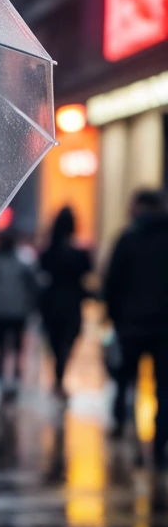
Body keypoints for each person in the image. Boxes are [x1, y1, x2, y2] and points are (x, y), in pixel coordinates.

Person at [104, 189, 168, 462]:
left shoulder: (127, 240)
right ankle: (160, 439)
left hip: (130, 325)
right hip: (164, 328)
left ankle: (121, 423)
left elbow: (112, 283)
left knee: (124, 379)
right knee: (163, 387)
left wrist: (115, 318)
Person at [38, 206, 93, 397]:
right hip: (71, 304)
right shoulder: (79, 254)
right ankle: (59, 377)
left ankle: (58, 377)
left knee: (55, 342)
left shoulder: (48, 252)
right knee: (67, 341)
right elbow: (87, 272)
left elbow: (42, 272)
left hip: (52, 303)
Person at [0, 228, 38, 391]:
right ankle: (16, 371)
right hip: (19, 311)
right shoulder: (22, 264)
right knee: (17, 343)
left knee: (0, 343)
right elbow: (33, 287)